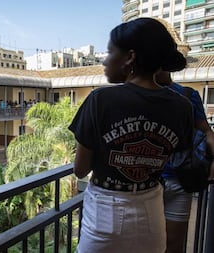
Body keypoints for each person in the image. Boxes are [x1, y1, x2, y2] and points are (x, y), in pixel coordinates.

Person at [68, 18, 193, 253]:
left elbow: (80, 169)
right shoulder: (182, 106)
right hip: (153, 210)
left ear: (130, 58)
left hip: (105, 210)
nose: (105, 61)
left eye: (110, 52)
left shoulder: (100, 100)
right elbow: (169, 154)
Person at [155, 71, 214, 253]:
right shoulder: (139, 95)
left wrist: (212, 163)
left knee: (174, 244)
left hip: (179, 179)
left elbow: (207, 132)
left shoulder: (187, 94)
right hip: (148, 185)